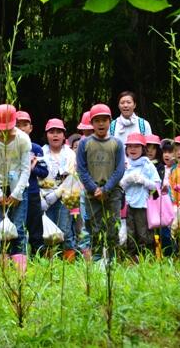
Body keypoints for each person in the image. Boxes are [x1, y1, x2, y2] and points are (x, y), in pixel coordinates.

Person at [0, 104, 31, 272]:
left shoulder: (23, 139)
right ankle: (3, 269)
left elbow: (26, 169)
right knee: (1, 230)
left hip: (19, 188)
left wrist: (17, 193)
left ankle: (20, 272)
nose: (5, 133)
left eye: (8, 129)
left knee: (18, 229)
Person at [76, 104, 125, 263]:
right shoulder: (84, 143)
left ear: (110, 121)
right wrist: (94, 188)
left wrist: (106, 189)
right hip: (92, 194)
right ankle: (97, 261)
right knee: (95, 228)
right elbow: (81, 169)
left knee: (113, 227)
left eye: (104, 120)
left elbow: (120, 170)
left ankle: (113, 261)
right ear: (92, 123)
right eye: (97, 120)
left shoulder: (117, 143)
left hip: (113, 192)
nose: (101, 123)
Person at [41, 118, 77, 260]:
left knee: (65, 230)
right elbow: (36, 176)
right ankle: (48, 263)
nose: (55, 135)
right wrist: (41, 197)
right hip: (45, 198)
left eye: (59, 132)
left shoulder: (70, 154)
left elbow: (72, 177)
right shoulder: (40, 153)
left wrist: (57, 193)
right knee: (47, 231)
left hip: (65, 198)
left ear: (64, 135)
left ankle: (68, 263)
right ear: (46, 135)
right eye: (51, 132)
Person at [120, 133, 161, 258]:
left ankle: (147, 259)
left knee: (144, 234)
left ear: (143, 149)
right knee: (130, 233)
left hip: (143, 205)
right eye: (130, 146)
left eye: (136, 146)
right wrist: (127, 180)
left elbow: (156, 186)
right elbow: (119, 186)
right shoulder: (124, 164)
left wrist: (143, 181)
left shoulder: (148, 165)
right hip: (127, 205)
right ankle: (132, 259)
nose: (133, 149)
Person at [15, 111, 48, 256]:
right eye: (18, 125)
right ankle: (18, 257)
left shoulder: (36, 148)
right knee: (16, 228)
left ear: (31, 128)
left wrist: (32, 168)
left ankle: (38, 258)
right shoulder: (9, 147)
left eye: (25, 124)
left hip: (32, 192)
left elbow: (44, 172)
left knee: (35, 229)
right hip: (15, 193)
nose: (21, 128)